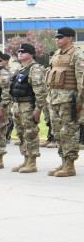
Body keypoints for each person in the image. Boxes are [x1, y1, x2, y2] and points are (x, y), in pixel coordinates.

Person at [45, 27, 84, 177]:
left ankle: (70, 165)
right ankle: (63, 161)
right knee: (58, 132)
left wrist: (80, 102)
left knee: (69, 132)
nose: (57, 40)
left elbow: (81, 81)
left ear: (69, 38)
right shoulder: (55, 55)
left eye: (60, 37)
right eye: (56, 37)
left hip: (69, 100)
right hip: (54, 99)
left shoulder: (77, 54)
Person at [9, 43, 46, 173]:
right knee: (20, 132)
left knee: (30, 133)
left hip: (28, 105)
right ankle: (25, 159)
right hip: (17, 105)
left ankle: (32, 161)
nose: (20, 53)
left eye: (23, 52)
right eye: (19, 51)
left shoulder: (34, 69)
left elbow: (40, 91)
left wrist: (38, 108)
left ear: (31, 54)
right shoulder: (20, 69)